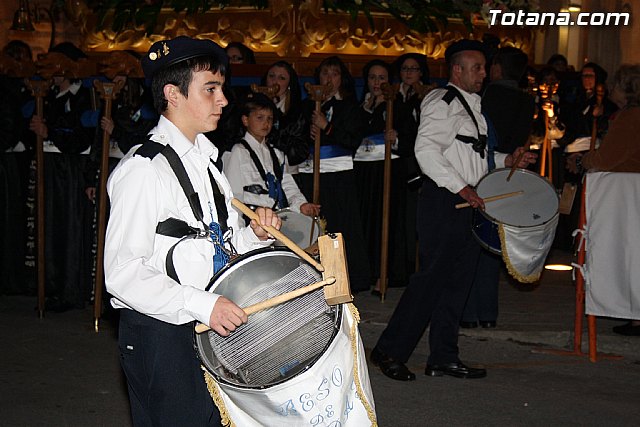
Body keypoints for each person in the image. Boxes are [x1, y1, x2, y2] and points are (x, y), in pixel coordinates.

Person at [104, 36, 281, 426]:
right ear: (173, 94)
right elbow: (122, 273)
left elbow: (219, 243)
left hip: (208, 325)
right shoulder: (143, 169)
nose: (223, 100)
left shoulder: (208, 164)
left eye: (221, 89)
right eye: (210, 89)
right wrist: (204, 305)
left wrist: (254, 235)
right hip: (162, 333)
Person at [371, 39, 536, 381]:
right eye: (476, 68)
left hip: (470, 201)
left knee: (458, 283)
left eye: (483, 68)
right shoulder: (442, 101)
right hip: (446, 200)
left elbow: (474, 156)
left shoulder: (473, 105)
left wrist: (508, 160)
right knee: (431, 280)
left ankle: (443, 356)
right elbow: (426, 150)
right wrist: (462, 187)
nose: (483, 73)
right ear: (457, 70)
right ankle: (389, 350)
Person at [461, 46, 535, 329]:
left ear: (497, 68)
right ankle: (488, 312)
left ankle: (469, 312)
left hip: (484, 171)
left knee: (474, 241)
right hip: (508, 172)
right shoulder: (527, 100)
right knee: (493, 241)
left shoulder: (488, 96)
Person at [566, 64, 640, 337]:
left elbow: (609, 157)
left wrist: (582, 161)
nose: (610, 89)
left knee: (629, 251)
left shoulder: (631, 117)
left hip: (627, 194)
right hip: (629, 190)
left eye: (616, 84)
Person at [28, 42, 97, 311]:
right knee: (51, 226)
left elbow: (82, 137)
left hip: (71, 168)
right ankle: (52, 286)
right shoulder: (50, 96)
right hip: (52, 165)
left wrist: (50, 132)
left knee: (70, 228)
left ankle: (70, 290)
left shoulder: (84, 97)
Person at [298, 56, 371, 292]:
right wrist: (307, 133)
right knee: (313, 226)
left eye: (335, 74)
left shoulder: (349, 107)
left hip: (338, 175)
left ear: (342, 79)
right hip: (310, 172)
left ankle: (343, 280)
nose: (329, 79)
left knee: (339, 226)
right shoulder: (306, 105)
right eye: (325, 73)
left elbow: (352, 140)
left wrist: (327, 127)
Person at [353, 59, 407, 291]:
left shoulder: (397, 106)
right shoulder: (361, 106)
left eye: (382, 78)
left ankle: (384, 273)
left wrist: (396, 137)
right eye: (372, 77)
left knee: (383, 220)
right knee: (363, 220)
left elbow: (411, 136)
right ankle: (366, 270)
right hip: (363, 172)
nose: (376, 82)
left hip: (386, 171)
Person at [223, 92, 320, 216]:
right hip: (250, 217)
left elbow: (288, 185)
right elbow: (233, 195)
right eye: (260, 117)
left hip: (275, 216)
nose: (266, 123)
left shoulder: (277, 154)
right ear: (245, 120)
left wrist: (301, 205)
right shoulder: (236, 152)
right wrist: (237, 224)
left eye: (270, 118)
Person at [393, 53, 433, 278]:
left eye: (413, 68)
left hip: (416, 163)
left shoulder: (427, 96)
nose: (408, 73)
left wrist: (400, 140)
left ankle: (414, 266)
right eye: (405, 68)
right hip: (395, 162)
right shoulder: (393, 95)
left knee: (413, 216)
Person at [260, 60, 309, 169]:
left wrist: (275, 139)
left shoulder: (298, 113)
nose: (274, 81)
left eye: (281, 78)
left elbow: (300, 152)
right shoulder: (252, 107)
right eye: (271, 76)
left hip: (286, 169)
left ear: (289, 85)